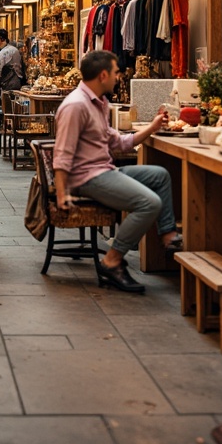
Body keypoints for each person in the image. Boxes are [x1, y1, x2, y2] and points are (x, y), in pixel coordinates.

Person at [52, 49, 179, 294]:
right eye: (116, 72)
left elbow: (117, 142)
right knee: (149, 203)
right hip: (87, 178)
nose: (118, 76)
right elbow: (62, 154)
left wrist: (152, 127)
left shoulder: (98, 102)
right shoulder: (76, 106)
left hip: (105, 170)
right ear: (103, 75)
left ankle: (168, 235)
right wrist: (61, 194)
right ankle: (112, 260)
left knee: (160, 175)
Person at [0, 28, 25, 99]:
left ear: (0, 38)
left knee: (8, 107)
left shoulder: (3, 53)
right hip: (18, 82)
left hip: (9, 85)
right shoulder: (14, 49)